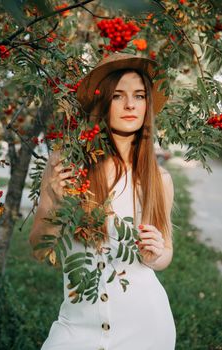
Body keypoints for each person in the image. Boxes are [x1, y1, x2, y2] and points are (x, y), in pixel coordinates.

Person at [29, 53, 176, 350]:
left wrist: (156, 254)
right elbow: (38, 249)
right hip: (75, 329)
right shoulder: (66, 167)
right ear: (102, 102)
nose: (131, 105)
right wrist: (53, 202)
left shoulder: (158, 179)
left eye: (139, 96)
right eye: (118, 96)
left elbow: (164, 255)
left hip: (146, 329)